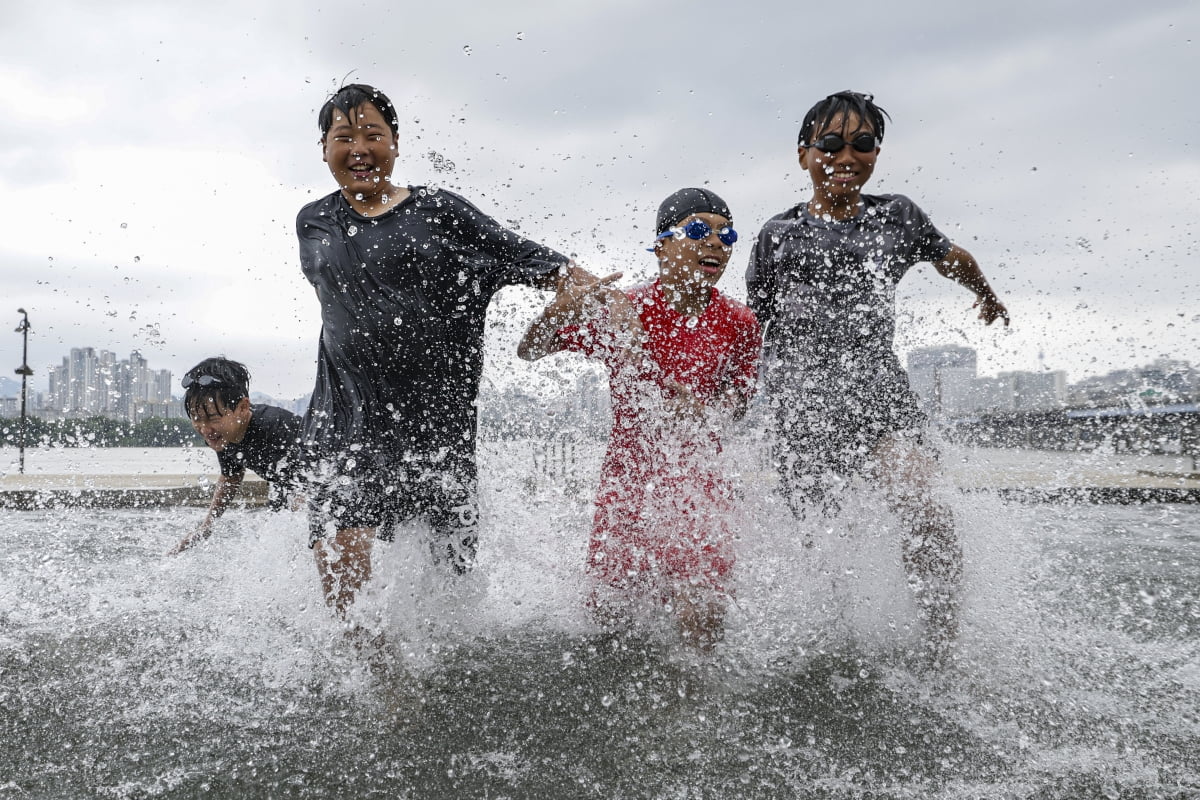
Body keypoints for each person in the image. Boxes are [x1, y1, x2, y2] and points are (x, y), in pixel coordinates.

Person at [297, 83, 591, 615]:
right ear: (323, 149)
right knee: (347, 589)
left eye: (373, 134)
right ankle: (371, 690)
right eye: (344, 137)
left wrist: (575, 291)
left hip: (437, 431)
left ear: (396, 143)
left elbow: (539, 261)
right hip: (347, 427)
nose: (359, 148)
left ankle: (430, 688)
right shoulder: (312, 221)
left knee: (448, 599)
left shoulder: (438, 211)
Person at [745, 91, 1010, 652]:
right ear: (803, 155)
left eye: (862, 143)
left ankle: (942, 644)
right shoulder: (776, 233)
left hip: (878, 392)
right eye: (832, 143)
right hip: (801, 402)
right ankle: (827, 646)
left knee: (924, 507)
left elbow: (951, 256)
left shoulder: (898, 216)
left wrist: (985, 294)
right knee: (816, 538)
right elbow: (757, 323)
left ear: (876, 152)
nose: (848, 154)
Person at [520, 188, 762, 651]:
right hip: (629, 482)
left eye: (725, 234)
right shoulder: (624, 309)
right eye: (697, 231)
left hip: (697, 483)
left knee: (703, 609)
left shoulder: (740, 321)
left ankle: (699, 707)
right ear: (662, 245)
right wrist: (559, 309)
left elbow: (740, 398)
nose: (715, 243)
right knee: (610, 620)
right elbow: (530, 350)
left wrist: (707, 409)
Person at [170, 357, 304, 554]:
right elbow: (231, 476)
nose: (205, 429)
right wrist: (206, 528)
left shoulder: (274, 428)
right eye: (196, 419)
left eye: (213, 418)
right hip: (284, 489)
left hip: (329, 484)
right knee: (274, 547)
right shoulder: (223, 435)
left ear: (242, 407)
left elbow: (312, 479)